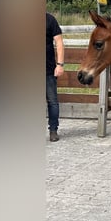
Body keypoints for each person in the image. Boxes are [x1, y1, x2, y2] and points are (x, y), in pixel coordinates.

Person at [46, 12, 65, 142]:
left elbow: (59, 42)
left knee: (52, 101)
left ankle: (53, 130)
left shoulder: (50, 20)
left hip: (48, 68)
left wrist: (60, 64)